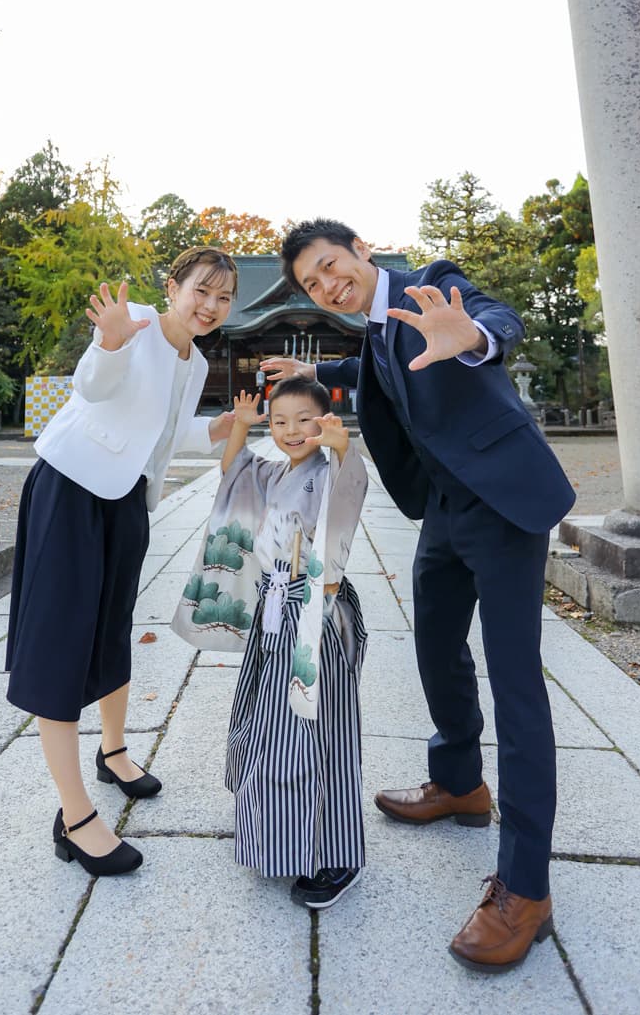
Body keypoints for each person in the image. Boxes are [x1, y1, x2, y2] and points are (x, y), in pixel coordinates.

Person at [262, 219, 575, 972]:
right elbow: (374, 365)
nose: (328, 285)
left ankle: (525, 887)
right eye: (312, 282)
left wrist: (473, 335)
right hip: (443, 510)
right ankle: (461, 783)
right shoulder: (373, 332)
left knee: (514, 681)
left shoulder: (432, 284)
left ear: (362, 251)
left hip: (502, 504)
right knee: (434, 647)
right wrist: (312, 371)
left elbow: (494, 318)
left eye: (332, 266)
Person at [5, 247, 238, 877]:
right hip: (72, 486)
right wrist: (108, 343)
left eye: (223, 298)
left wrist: (218, 429)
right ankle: (75, 816)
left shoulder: (195, 360)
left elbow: (163, 432)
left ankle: (113, 752)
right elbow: (92, 386)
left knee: (112, 628)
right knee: (61, 640)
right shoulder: (133, 323)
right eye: (201, 290)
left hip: (127, 499)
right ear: (173, 286)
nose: (210, 306)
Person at [172, 377, 368, 909]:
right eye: (280, 422)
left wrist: (342, 446)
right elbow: (232, 470)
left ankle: (337, 853)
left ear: (324, 420)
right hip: (274, 611)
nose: (291, 431)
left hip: (313, 613)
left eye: (304, 419)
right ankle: (276, 833)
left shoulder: (329, 473)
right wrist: (241, 425)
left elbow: (352, 484)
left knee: (315, 730)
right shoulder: (274, 472)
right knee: (271, 725)